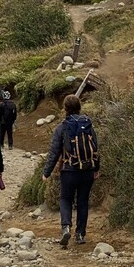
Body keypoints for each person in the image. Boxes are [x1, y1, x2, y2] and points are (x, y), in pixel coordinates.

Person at [42, 94, 100, 248]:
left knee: (65, 199)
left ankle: (66, 227)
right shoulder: (88, 125)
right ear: (79, 107)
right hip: (87, 170)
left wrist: (46, 172)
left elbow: (54, 152)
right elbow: (95, 147)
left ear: (65, 109)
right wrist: (96, 168)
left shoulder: (61, 128)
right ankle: (80, 234)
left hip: (69, 170)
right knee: (82, 202)